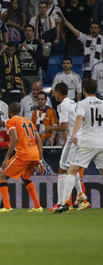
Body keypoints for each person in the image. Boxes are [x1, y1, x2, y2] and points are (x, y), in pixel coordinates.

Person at [55, 79, 102, 213]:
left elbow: (80, 118)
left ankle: (64, 203)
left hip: (88, 142)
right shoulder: (102, 103)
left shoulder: (82, 103)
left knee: (71, 170)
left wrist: (74, 133)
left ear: (83, 90)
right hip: (101, 142)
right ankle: (79, 195)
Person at [46, 82, 90, 212]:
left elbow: (64, 126)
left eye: (54, 92)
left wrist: (50, 128)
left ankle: (60, 203)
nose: (53, 95)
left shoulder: (62, 106)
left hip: (74, 139)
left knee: (61, 170)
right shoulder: (73, 103)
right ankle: (81, 194)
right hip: (82, 138)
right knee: (72, 167)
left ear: (58, 93)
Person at [0, 102, 45, 212]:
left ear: (9, 111)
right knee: (25, 178)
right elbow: (39, 140)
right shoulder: (28, 121)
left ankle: (7, 207)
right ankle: (37, 206)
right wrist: (40, 160)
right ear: (20, 111)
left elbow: (15, 139)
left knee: (1, 177)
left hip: (24, 154)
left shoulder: (11, 122)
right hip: (35, 153)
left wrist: (6, 157)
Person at [58, 12, 103, 78]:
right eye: (92, 28)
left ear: (99, 29)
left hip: (99, 68)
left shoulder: (102, 39)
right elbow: (73, 30)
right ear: (90, 29)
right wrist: (64, 19)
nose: (94, 30)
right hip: (87, 68)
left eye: (96, 28)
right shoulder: (86, 38)